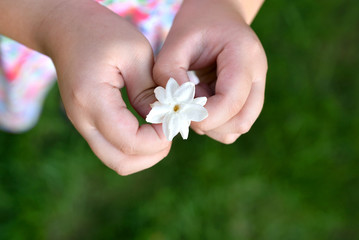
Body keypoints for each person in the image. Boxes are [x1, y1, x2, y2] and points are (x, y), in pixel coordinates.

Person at [0, 0, 267, 175]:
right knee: (62, 73)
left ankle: (79, 100)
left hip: (163, 14)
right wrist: (55, 21)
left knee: (103, 74)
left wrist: (227, 5)